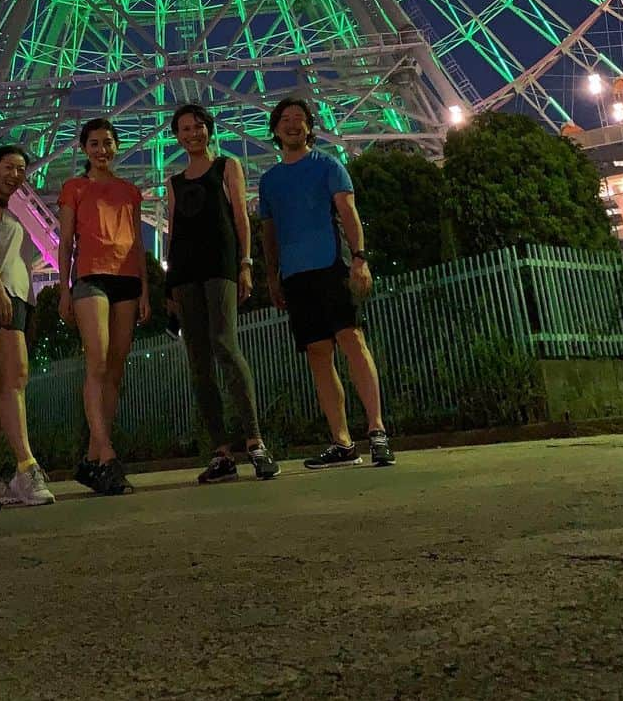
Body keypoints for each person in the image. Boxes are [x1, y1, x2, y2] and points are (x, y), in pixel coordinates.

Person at [258, 97, 395, 470]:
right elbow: (268, 231)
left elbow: (348, 212)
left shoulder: (328, 165)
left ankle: (377, 430)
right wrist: (272, 275)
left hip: (330, 263)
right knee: (319, 355)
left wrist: (360, 258)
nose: (292, 125)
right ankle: (341, 441)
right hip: (295, 274)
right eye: (285, 119)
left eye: (299, 119)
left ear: (309, 127)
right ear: (274, 128)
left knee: (352, 339)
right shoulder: (269, 181)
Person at [165, 103, 280, 484]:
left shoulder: (227, 166)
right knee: (197, 361)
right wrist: (168, 284)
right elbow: (173, 229)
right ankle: (220, 452)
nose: (192, 133)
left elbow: (240, 218)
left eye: (198, 126)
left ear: (209, 130)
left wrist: (245, 263)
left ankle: (255, 440)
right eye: (184, 129)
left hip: (220, 265)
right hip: (185, 273)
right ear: (177, 136)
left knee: (226, 346)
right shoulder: (174, 181)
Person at [58, 118, 150, 496]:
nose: (102, 150)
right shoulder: (74, 188)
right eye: (94, 144)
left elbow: (137, 242)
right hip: (91, 278)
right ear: (84, 149)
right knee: (96, 361)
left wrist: (145, 289)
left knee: (115, 367)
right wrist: (64, 289)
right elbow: (66, 242)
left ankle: (95, 455)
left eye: (108, 143)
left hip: (126, 279)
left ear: (116, 146)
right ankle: (107, 454)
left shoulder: (129, 191)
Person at [0, 144, 55, 507]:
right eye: (8, 167)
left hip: (16, 297)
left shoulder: (7, 209)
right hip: (1, 299)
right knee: (18, 377)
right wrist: (0, 293)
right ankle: (25, 465)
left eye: (21, 169)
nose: (15, 175)